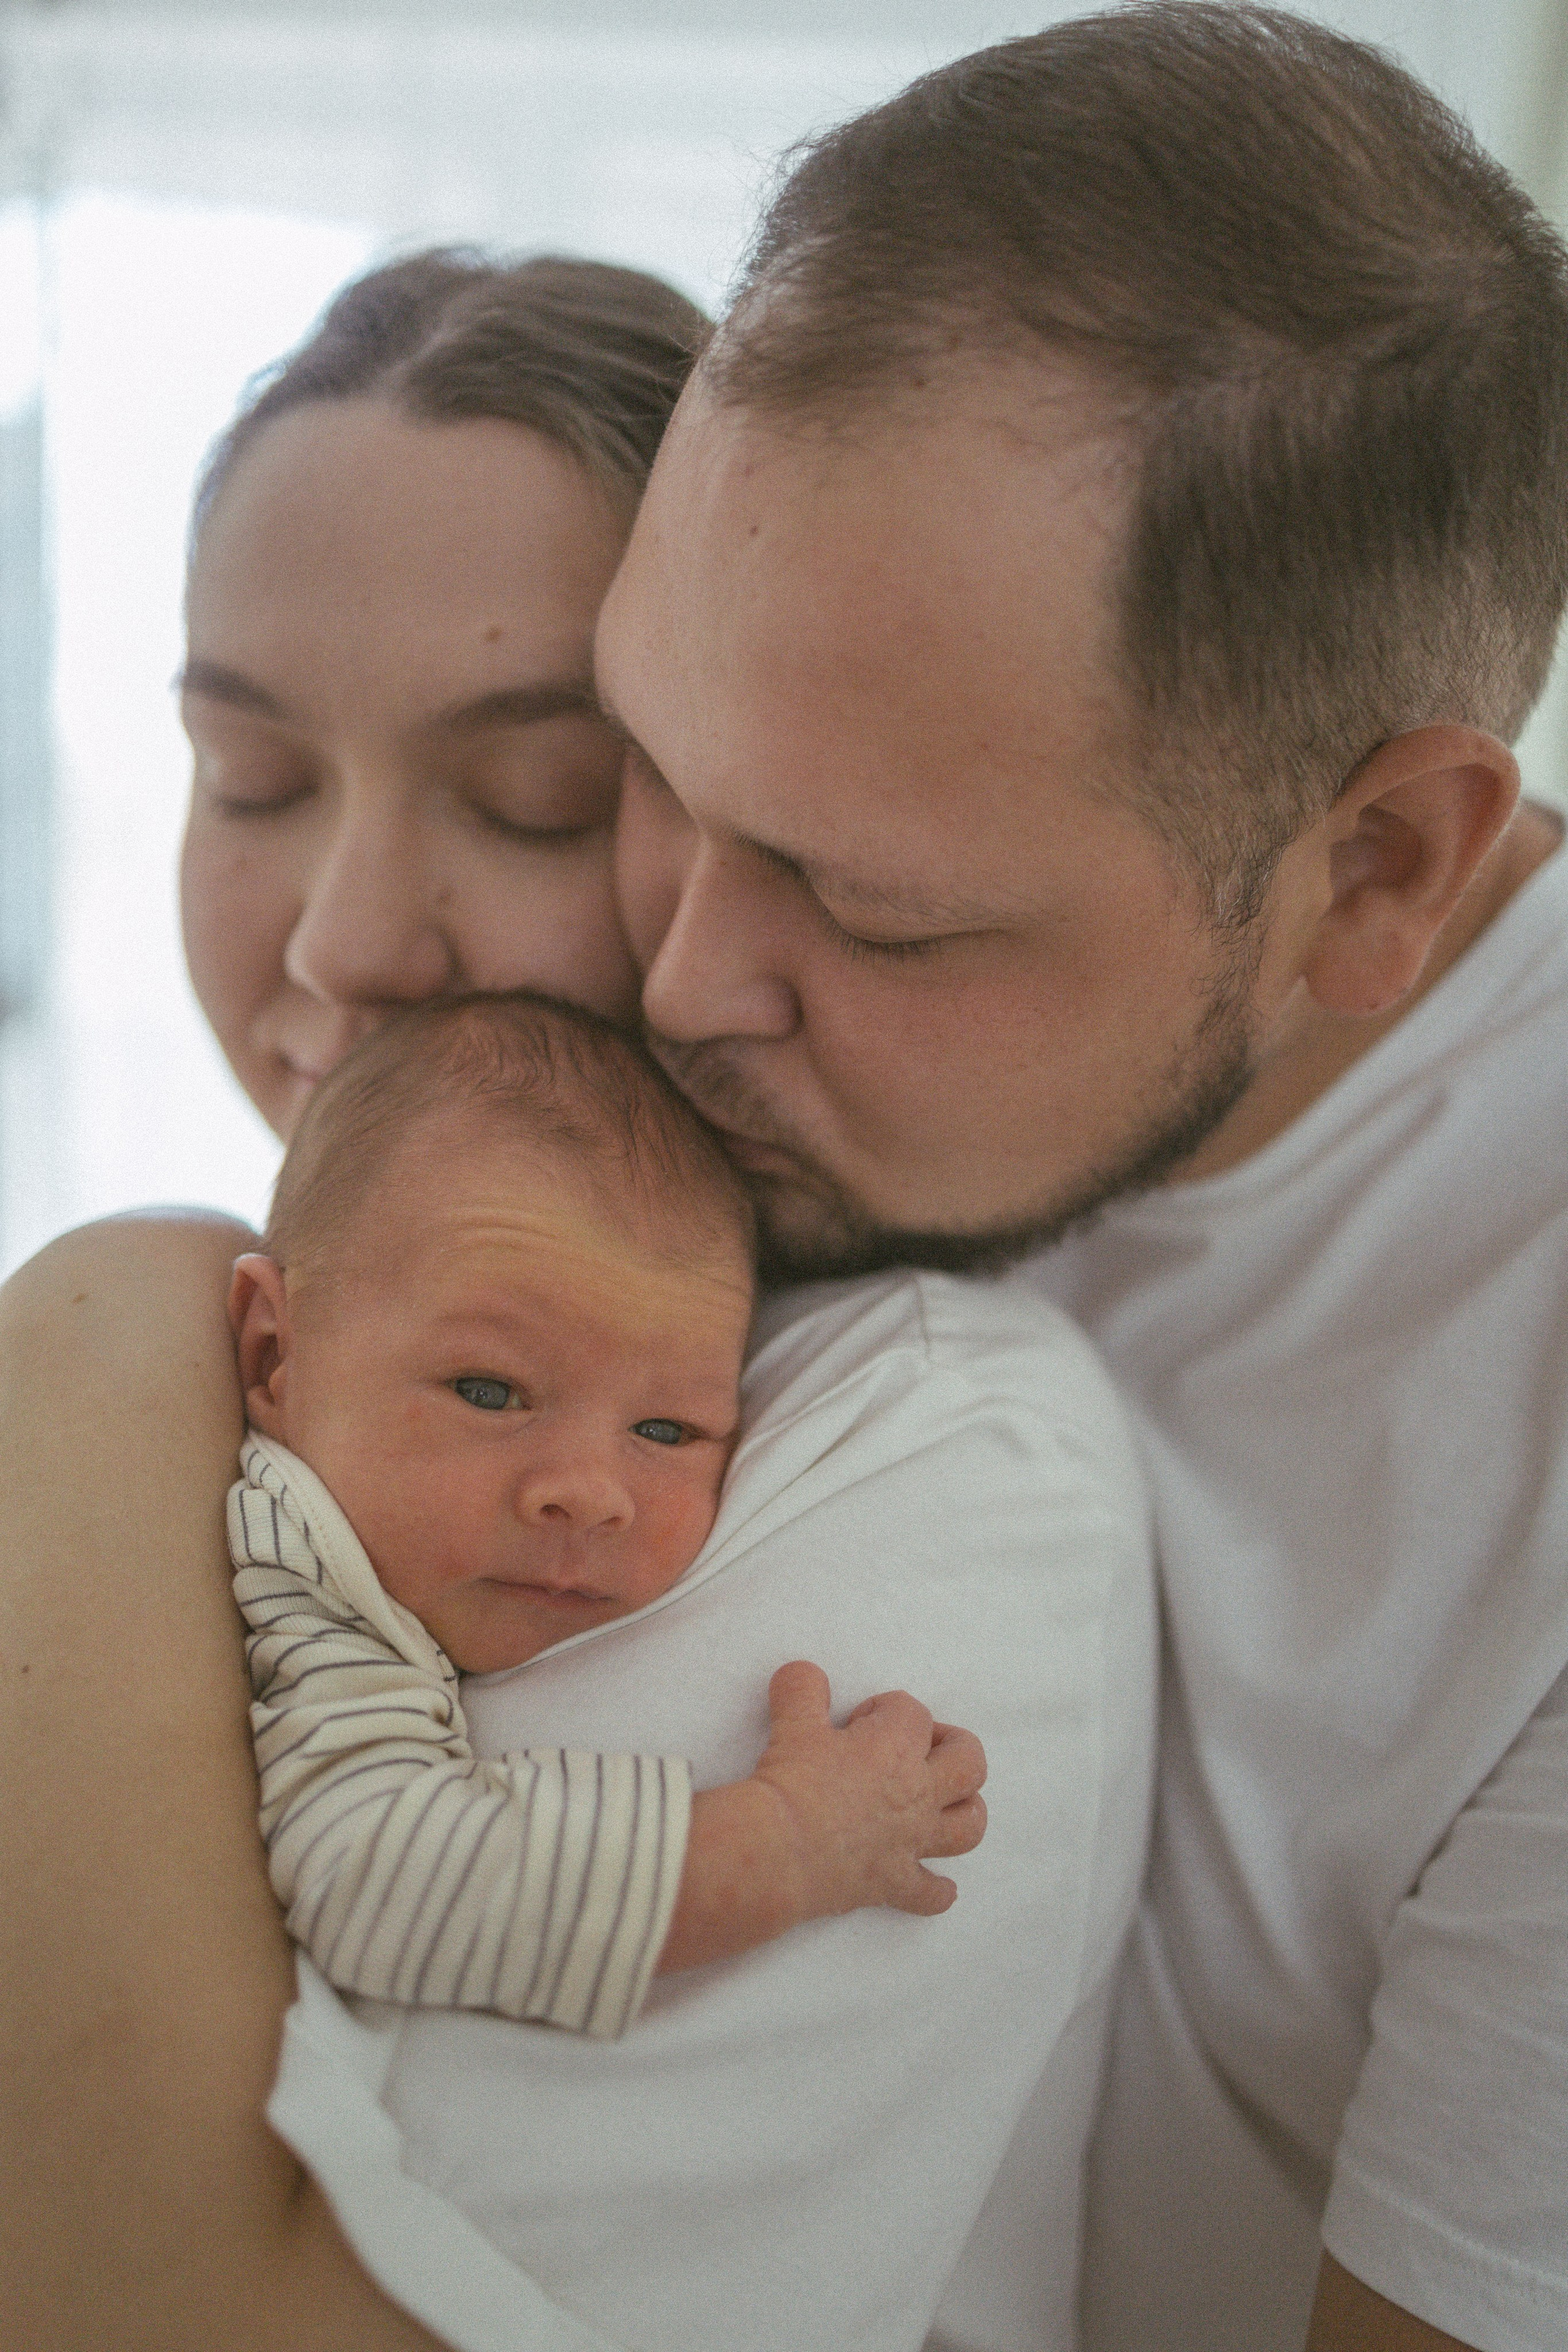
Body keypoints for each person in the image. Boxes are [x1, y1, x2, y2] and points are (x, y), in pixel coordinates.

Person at [0, 246, 1153, 2349]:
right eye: (250, 779)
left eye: (528, 794)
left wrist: (93, 1335)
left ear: (750, 786)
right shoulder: (254, 1387)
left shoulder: (927, 1438)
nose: (346, 939)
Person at [589, 9, 1568, 2351]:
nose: (683, 982)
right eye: (634, 763)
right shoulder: (749, 994)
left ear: (1373, 872)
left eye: (880, 911)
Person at [228, 988, 986, 2037]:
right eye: (489, 1392)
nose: (588, 1491)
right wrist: (790, 1843)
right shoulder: (302, 1586)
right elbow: (380, 1880)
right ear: (276, 1354)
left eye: (667, 1432)